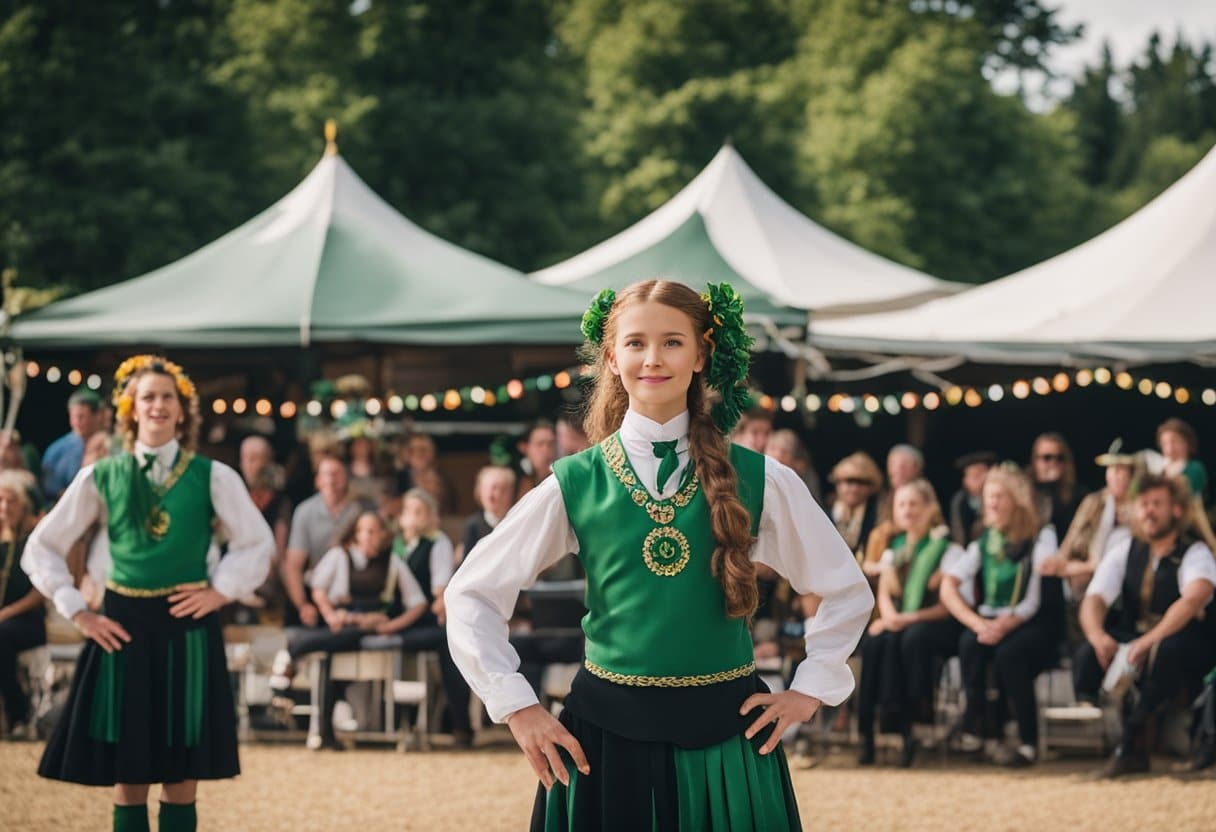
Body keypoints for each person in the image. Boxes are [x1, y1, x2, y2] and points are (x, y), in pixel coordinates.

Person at [445, 280, 871, 830]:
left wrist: (810, 688)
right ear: (611, 358)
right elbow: (470, 593)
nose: (653, 358)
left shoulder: (761, 478)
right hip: (603, 740)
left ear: (701, 355)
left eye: (672, 342)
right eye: (635, 343)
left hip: (728, 740)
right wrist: (518, 707)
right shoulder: (576, 481)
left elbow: (846, 589)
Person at [21, 355, 273, 832]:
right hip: (122, 628)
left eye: (167, 397)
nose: (158, 405)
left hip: (188, 626)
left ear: (182, 409)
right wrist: (78, 611)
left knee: (182, 772)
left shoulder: (212, 475)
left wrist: (220, 591)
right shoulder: (102, 475)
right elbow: (42, 546)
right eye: (148, 397)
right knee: (129, 772)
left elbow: (257, 542)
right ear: (131, 409)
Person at [1072, 474, 1216, 777]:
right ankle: (1108, 727)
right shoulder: (1126, 549)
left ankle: (1132, 742)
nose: (1149, 511)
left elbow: (1194, 598)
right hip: (1138, 636)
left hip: (1188, 643)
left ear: (1176, 509)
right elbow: (1094, 598)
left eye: (1157, 504)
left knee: (1166, 651)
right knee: (1088, 652)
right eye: (1144, 504)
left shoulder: (1194, 552)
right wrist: (1098, 637)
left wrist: (1149, 641)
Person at [940, 465, 1059, 767]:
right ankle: (978, 730)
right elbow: (948, 586)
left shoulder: (1040, 537)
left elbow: (1033, 600)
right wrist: (977, 623)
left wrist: (1004, 625)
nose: (991, 503)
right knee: (969, 642)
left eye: (999, 497)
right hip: (991, 620)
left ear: (1016, 501)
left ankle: (1027, 741)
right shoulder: (984, 541)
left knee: (1010, 653)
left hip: (1030, 620)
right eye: (988, 497)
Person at [291, 510, 429, 749]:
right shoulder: (340, 555)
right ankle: (324, 731)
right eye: (363, 531)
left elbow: (417, 602)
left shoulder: (392, 563)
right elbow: (318, 588)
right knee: (332, 654)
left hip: (369, 628)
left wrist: (391, 626)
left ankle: (294, 651)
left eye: (373, 531)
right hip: (340, 626)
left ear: (382, 534)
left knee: (338, 645)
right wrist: (331, 615)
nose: (367, 536)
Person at [857, 479, 962, 767]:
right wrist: (890, 619)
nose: (907, 510)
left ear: (929, 509)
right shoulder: (895, 547)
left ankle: (909, 728)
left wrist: (904, 619)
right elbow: (884, 593)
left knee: (908, 639)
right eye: (901, 504)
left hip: (933, 623)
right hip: (900, 623)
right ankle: (867, 733)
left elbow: (946, 606)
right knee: (876, 642)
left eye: (914, 504)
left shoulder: (946, 548)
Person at [392, 488, 473, 746]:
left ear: (431, 516)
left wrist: (438, 604)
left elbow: (440, 588)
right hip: (395, 618)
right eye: (409, 511)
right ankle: (398, 722)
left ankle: (460, 725)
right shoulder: (395, 543)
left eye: (420, 512)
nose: (413, 517)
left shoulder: (438, 542)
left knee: (447, 646)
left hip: (426, 617)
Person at [282, 455, 372, 628]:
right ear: (317, 480)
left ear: (346, 477)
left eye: (336, 474)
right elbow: (293, 566)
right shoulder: (305, 512)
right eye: (326, 474)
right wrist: (303, 605)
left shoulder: (361, 508)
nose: (331, 480)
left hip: (358, 591)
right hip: (319, 588)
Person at [1039, 439, 1135, 596]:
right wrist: (1058, 561)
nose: (1114, 475)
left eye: (1120, 469)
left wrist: (1084, 567)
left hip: (1124, 577)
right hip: (1087, 576)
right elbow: (1071, 538)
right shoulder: (1094, 501)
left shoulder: (1140, 505)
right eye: (1111, 469)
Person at [0, 470, 45, 740]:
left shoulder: (34, 541)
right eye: (1, 501)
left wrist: (6, 613)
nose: (6, 507)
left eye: (12, 501)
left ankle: (19, 714)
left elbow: (40, 592)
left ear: (24, 505)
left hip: (26, 619)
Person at [41, 388, 104, 502]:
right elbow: (49, 488)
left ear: (97, 416)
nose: (77, 422)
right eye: (73, 416)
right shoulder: (57, 450)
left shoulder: (110, 445)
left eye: (81, 416)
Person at [1028, 432, 1088, 537]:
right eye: (1047, 458)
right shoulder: (1022, 491)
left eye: (1060, 458)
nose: (1053, 463)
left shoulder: (1080, 496)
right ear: (1035, 461)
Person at [458, 465, 517, 565]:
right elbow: (467, 565)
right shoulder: (473, 526)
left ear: (509, 492)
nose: (489, 495)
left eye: (495, 488)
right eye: (485, 488)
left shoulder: (516, 521)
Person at [949, 451, 997, 546]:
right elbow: (960, 536)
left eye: (980, 474)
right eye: (973, 475)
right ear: (965, 480)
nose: (981, 479)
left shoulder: (996, 497)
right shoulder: (960, 501)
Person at [1157, 418, 1207, 504]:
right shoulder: (1158, 469)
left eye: (1174, 441)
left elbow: (1184, 495)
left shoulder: (1195, 468)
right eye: (1164, 443)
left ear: (1187, 443)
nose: (1169, 447)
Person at [877, 444, 924, 524]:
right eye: (892, 464)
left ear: (917, 468)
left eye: (903, 466)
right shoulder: (882, 497)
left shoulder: (925, 496)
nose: (897, 470)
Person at [516, 420, 558, 499]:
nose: (546, 450)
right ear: (524, 448)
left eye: (551, 444)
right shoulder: (514, 479)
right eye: (540, 444)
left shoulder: (560, 479)